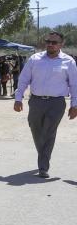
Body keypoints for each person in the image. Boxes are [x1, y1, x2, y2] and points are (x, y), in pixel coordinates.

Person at [13, 31, 77, 177]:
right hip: (36, 101)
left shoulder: (69, 62)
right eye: (48, 41)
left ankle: (43, 166)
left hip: (57, 103)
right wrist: (18, 98)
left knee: (49, 132)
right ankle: (43, 155)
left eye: (54, 42)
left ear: (61, 44)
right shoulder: (35, 59)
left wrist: (75, 105)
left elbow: (75, 85)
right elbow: (23, 79)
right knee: (36, 130)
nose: (50, 44)